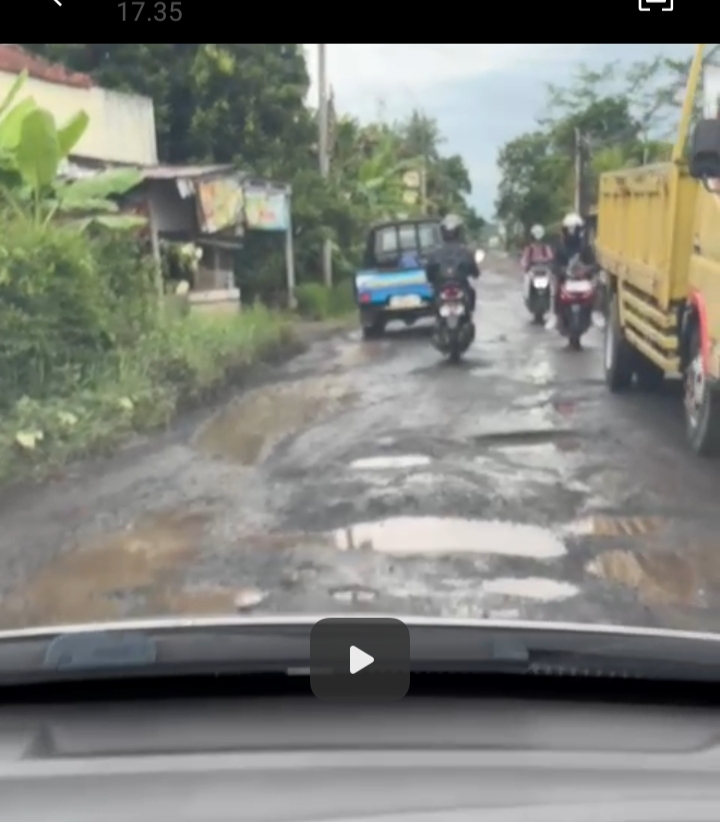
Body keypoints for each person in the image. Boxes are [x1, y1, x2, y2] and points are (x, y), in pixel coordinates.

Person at [425, 213, 480, 314]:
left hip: (445, 288)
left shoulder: (436, 252)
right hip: (457, 287)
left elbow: (429, 273)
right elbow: (475, 271)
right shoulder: (465, 251)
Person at [551, 212, 597, 322]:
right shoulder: (561, 248)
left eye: (574, 229)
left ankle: (594, 312)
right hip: (566, 278)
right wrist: (561, 270)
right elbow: (555, 264)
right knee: (555, 287)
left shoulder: (585, 248)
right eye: (569, 229)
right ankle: (555, 314)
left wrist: (587, 270)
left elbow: (593, 263)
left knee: (595, 288)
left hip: (582, 280)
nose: (572, 233)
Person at [520, 224, 554, 302]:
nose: (538, 240)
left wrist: (544, 260)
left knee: (551, 280)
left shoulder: (546, 247)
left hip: (544, 270)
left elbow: (551, 257)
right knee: (527, 279)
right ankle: (527, 296)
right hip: (533, 270)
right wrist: (525, 266)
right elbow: (524, 259)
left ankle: (551, 296)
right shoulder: (529, 248)